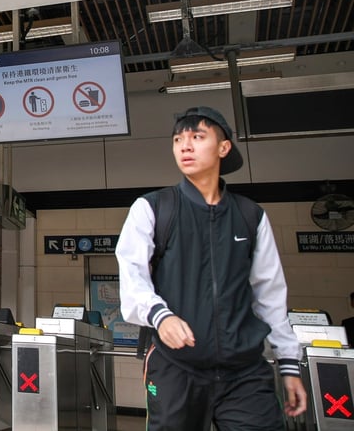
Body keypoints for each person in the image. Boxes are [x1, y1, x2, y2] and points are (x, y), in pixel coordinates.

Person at [116, 106, 307, 428]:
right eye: (178, 139)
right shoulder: (153, 208)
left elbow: (269, 294)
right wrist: (161, 317)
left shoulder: (251, 216)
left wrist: (289, 363)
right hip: (176, 366)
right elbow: (132, 277)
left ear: (223, 147)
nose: (185, 146)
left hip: (245, 371)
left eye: (197, 137)